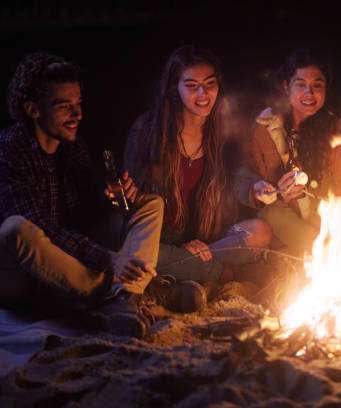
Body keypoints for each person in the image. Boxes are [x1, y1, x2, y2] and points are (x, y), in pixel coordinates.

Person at [0, 52, 196, 339]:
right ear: (33, 109)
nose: (77, 114)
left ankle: (124, 296)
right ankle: (120, 295)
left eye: (78, 103)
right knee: (15, 228)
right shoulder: (8, 150)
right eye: (65, 106)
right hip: (21, 274)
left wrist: (116, 199)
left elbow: (87, 215)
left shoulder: (72, 146)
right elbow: (40, 225)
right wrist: (109, 259)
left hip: (68, 265)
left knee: (151, 203)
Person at [124, 45, 272, 285]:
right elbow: (134, 198)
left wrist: (255, 188)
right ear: (175, 88)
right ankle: (222, 274)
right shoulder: (148, 131)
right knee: (141, 253)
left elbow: (238, 176)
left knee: (260, 230)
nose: (203, 93)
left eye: (209, 83)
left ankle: (192, 266)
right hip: (162, 240)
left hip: (211, 241)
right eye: (192, 85)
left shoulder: (223, 129)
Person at [247, 48, 341, 256]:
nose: (309, 93)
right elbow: (245, 176)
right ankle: (324, 255)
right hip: (289, 221)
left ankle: (327, 252)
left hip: (327, 218)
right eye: (300, 85)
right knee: (271, 213)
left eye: (317, 86)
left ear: (326, 89)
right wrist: (275, 192)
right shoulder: (266, 127)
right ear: (286, 85)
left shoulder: (337, 124)